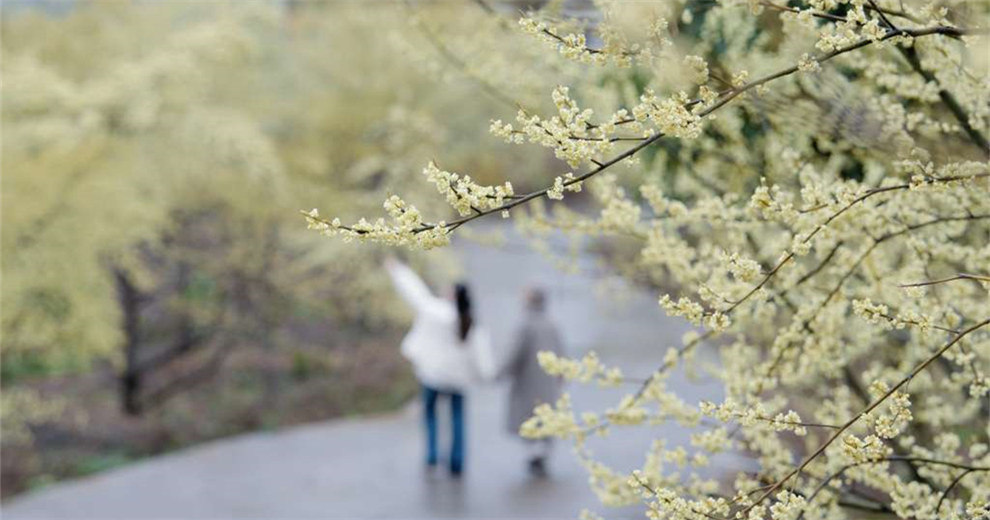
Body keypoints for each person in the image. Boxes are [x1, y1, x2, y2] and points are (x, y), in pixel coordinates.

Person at [384, 258, 494, 477]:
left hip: (433, 376)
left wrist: (399, 271)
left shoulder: (436, 313)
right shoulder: (471, 324)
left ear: (452, 295)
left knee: (431, 416)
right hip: (457, 381)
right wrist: (485, 378)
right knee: (457, 420)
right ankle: (457, 461)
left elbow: (416, 294)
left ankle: (432, 456)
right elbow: (482, 358)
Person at [503, 287, 565, 477]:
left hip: (527, 381)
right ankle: (541, 453)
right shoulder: (552, 324)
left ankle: (534, 455)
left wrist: (502, 372)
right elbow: (562, 353)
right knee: (545, 418)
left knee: (529, 418)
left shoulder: (525, 325)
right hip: (548, 382)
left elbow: (515, 354)